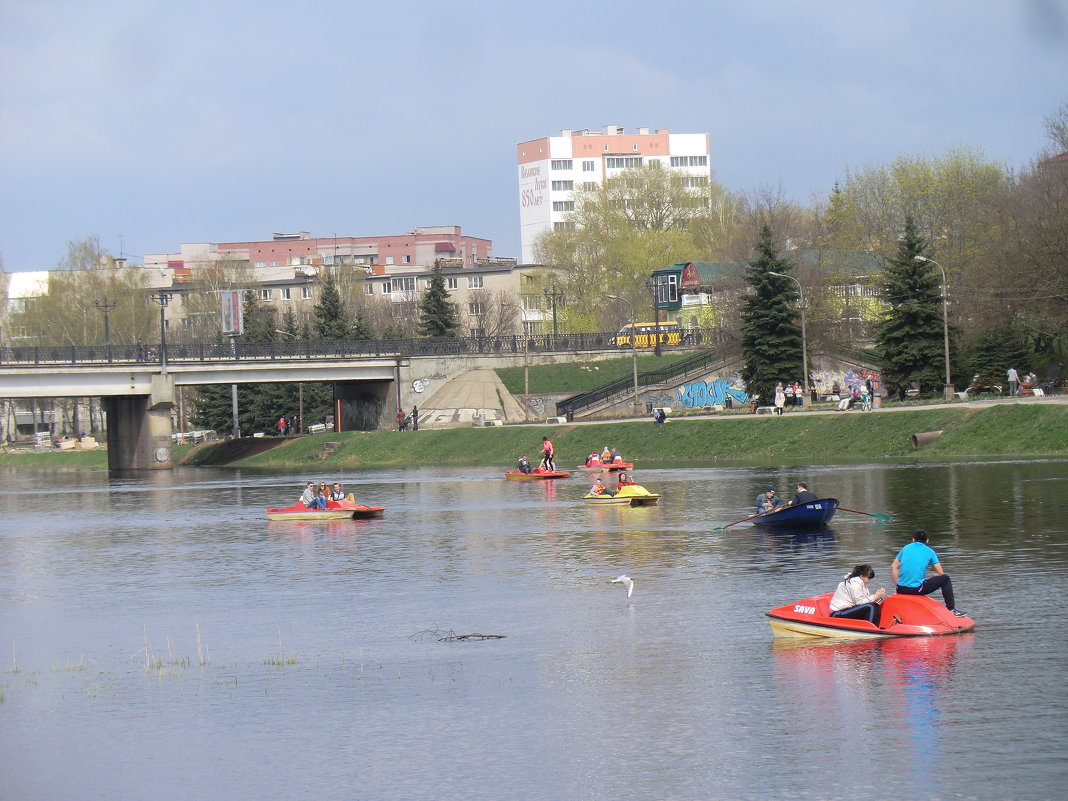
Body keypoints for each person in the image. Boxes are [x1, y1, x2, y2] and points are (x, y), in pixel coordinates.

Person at [891, 530, 964, 615]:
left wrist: (898, 585)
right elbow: (940, 573)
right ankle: (951, 609)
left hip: (901, 589)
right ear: (927, 541)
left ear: (913, 540)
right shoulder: (929, 551)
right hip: (917, 589)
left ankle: (900, 588)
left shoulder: (906, 548)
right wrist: (931, 577)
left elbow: (894, 566)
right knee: (946, 579)